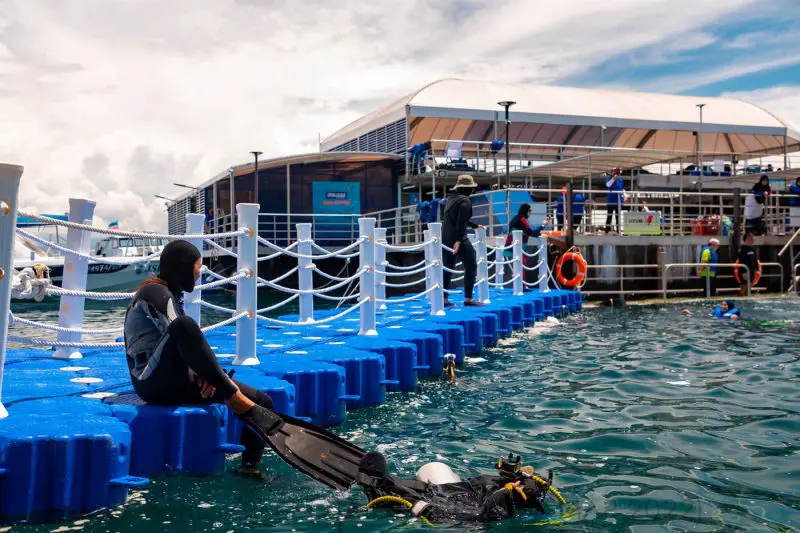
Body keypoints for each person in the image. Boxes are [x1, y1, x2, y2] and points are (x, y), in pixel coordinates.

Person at [124, 240, 280, 479]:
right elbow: (180, 331)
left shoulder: (173, 295)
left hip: (178, 379)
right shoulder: (153, 292)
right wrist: (218, 382)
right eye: (198, 266)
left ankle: (249, 468)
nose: (200, 272)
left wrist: (208, 376)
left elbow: (190, 348)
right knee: (185, 325)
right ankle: (232, 395)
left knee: (262, 402)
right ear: (183, 266)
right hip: (152, 383)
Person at [355, 451, 564, 523]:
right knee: (434, 472)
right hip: (465, 499)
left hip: (459, 508)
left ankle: (382, 488)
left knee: (433, 474)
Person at [442, 175, 484, 307]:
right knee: (471, 264)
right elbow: (461, 222)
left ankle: (443, 299)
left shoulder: (451, 199)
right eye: (472, 188)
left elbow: (457, 219)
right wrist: (459, 241)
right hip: (458, 238)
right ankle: (468, 298)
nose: (473, 190)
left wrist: (474, 225)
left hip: (446, 238)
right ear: (468, 189)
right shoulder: (465, 201)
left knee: (447, 268)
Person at [503, 203, 549, 284]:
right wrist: (543, 225)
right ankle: (522, 286)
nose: (531, 213)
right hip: (515, 250)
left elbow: (528, 233)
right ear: (526, 211)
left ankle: (521, 285)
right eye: (530, 210)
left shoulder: (517, 218)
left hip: (512, 248)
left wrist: (540, 234)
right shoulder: (522, 219)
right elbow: (532, 233)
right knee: (520, 268)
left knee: (518, 269)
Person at [604, 167, 626, 234]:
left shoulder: (621, 180)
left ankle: (618, 231)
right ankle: (607, 231)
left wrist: (625, 195)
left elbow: (622, 189)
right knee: (609, 216)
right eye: (616, 172)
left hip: (619, 201)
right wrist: (613, 179)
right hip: (611, 201)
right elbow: (608, 185)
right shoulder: (609, 179)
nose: (617, 174)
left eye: (618, 173)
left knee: (618, 217)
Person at [738, 232, 757, 296]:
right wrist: (743, 272)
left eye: (753, 239)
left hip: (752, 270)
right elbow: (740, 261)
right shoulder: (742, 248)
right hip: (744, 270)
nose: (753, 240)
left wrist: (757, 269)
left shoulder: (753, 248)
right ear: (747, 239)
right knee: (744, 286)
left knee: (750, 285)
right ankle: (741, 298)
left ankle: (747, 298)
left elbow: (755, 259)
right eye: (751, 239)